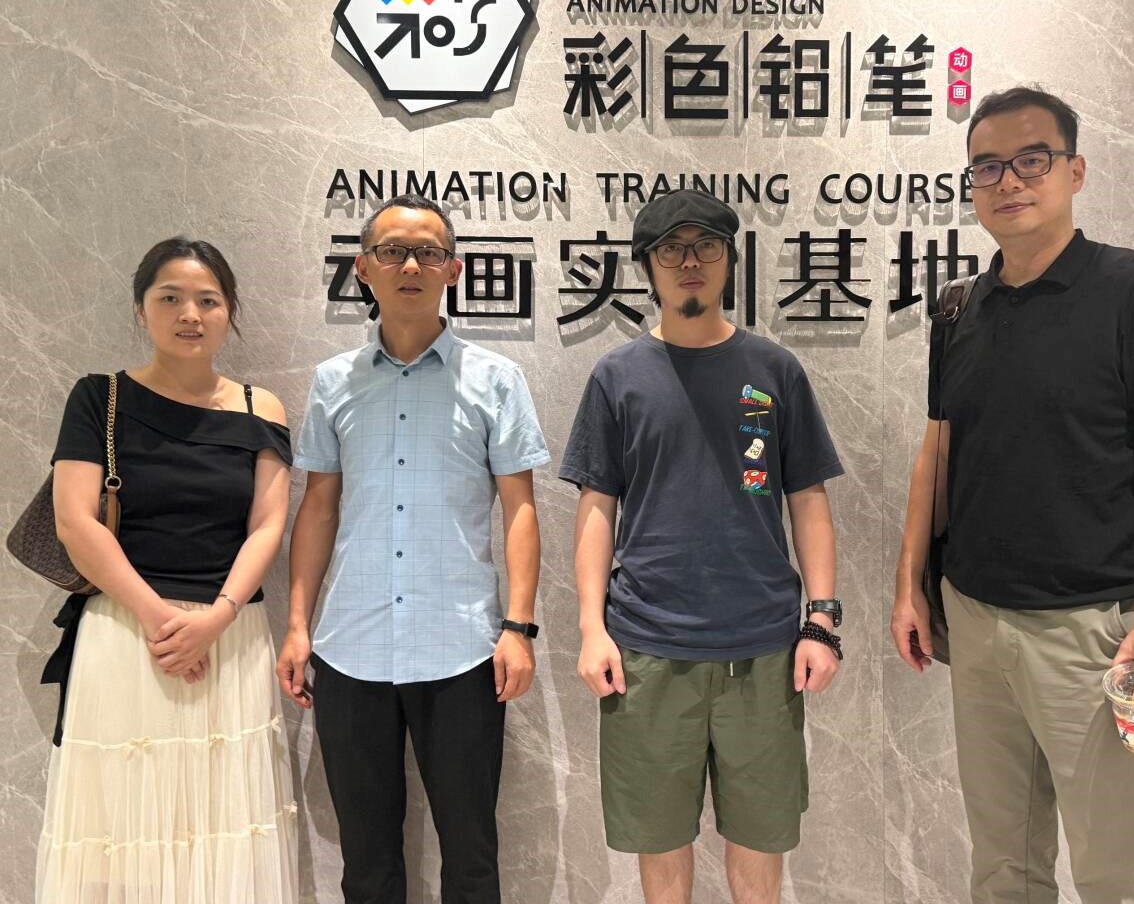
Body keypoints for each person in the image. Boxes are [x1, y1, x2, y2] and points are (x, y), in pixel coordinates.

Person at [890, 87, 1134, 904]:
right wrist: (911, 585)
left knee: (1116, 874)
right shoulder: (960, 308)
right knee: (1003, 868)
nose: (1009, 181)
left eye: (1032, 160)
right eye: (988, 166)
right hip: (976, 620)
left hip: (1093, 633)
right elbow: (938, 450)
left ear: (1075, 170)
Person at [560, 189, 845, 904]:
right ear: (647, 266)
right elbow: (596, 507)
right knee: (660, 838)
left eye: (706, 245)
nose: (690, 261)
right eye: (671, 248)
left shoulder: (774, 370)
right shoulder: (617, 376)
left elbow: (808, 499)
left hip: (764, 648)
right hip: (647, 649)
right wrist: (592, 628)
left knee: (761, 835)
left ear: (730, 260)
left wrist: (821, 620)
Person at [277, 194, 550, 904]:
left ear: (453, 270)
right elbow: (319, 507)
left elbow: (520, 510)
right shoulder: (333, 382)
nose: (410, 266)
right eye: (393, 251)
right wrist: (299, 625)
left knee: (472, 857)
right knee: (366, 863)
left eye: (428, 253)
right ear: (363, 268)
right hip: (351, 647)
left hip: (462, 648)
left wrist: (519, 627)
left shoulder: (496, 380)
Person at [37, 238, 298, 903]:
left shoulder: (261, 409)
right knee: (123, 830)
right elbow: (75, 522)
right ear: (141, 309)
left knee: (221, 829)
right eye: (171, 298)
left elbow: (268, 525)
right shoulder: (99, 398)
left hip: (229, 637)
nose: (190, 314)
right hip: (127, 634)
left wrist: (216, 618)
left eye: (208, 301)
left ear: (229, 311)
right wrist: (160, 618)